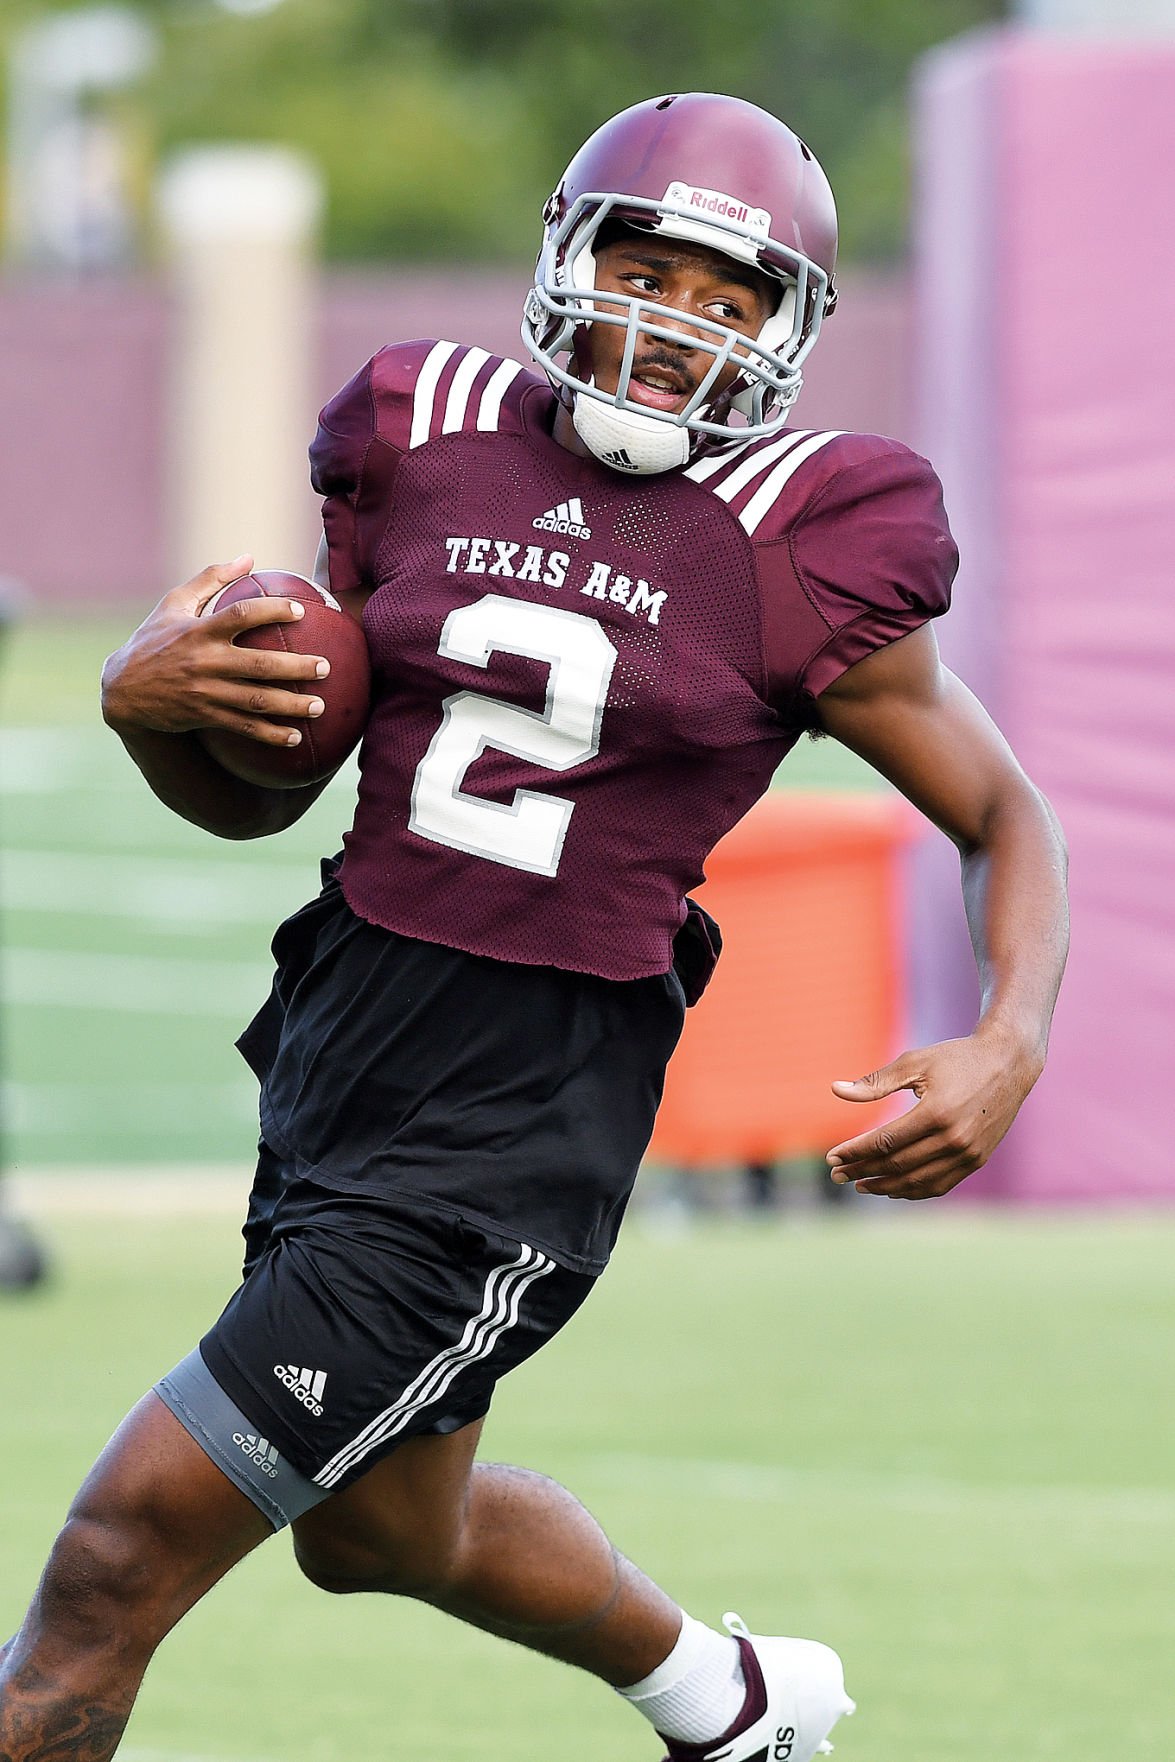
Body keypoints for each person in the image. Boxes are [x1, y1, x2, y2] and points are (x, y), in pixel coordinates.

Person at [0, 92, 1068, 1762]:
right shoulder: (422, 429)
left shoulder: (808, 536)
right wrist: (154, 708)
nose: (677, 326)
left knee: (114, 1556)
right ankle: (738, 1703)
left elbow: (1004, 812)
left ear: (789, 334)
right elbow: (266, 796)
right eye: (650, 267)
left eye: (732, 299)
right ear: (570, 258)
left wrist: (1008, 1034)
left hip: (517, 1114)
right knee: (380, 1535)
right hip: (346, 1028)